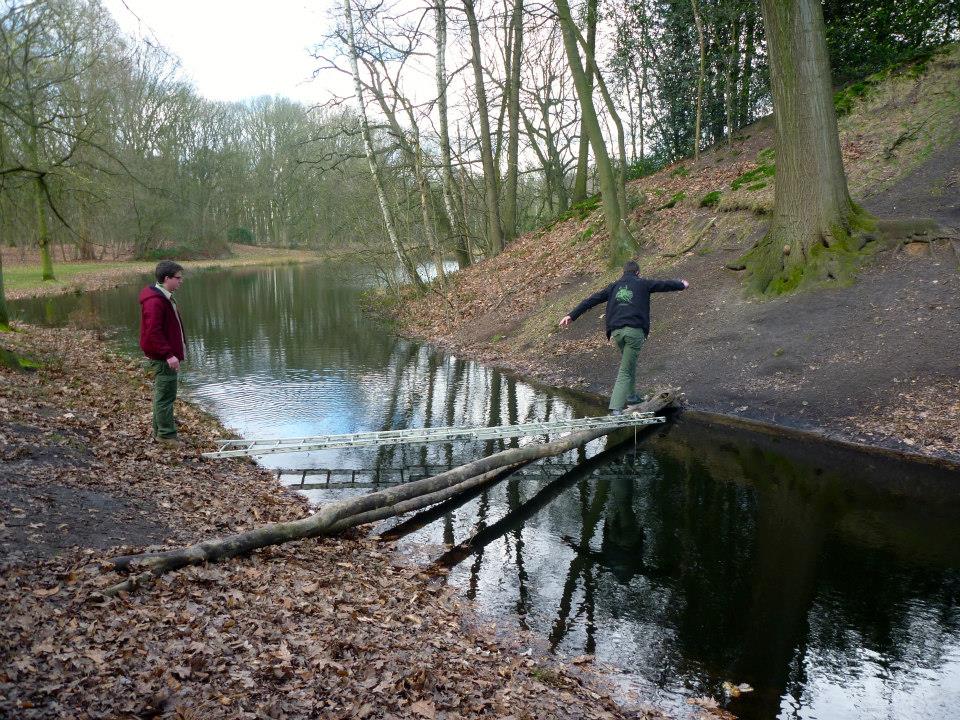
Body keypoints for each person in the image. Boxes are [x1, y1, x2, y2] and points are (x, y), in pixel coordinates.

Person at [559, 260, 688, 415]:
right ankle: (616, 408)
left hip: (617, 333)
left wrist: (571, 315)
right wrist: (681, 284)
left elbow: (592, 299)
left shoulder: (613, 287)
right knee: (625, 370)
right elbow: (664, 285)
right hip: (634, 332)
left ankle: (632, 397)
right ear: (638, 273)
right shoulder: (643, 283)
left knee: (629, 363)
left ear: (624, 273)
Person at [139, 260, 186, 445]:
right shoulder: (155, 301)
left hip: (164, 356)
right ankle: (166, 436)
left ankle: (160, 432)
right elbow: (153, 332)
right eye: (178, 278)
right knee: (166, 396)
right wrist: (169, 354)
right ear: (167, 278)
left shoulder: (163, 296)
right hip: (163, 358)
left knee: (163, 395)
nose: (180, 281)